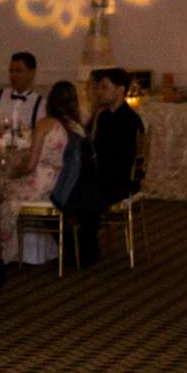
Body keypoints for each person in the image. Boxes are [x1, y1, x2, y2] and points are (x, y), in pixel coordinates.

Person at [70, 67, 144, 268]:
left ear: (119, 90)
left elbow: (117, 159)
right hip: (104, 175)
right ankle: (75, 247)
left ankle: (85, 251)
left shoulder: (129, 121)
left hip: (117, 180)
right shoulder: (103, 117)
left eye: (104, 87)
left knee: (85, 193)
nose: (100, 92)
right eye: (99, 87)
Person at [0, 81, 79, 265]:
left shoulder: (45, 124)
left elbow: (30, 165)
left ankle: (2, 253)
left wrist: (12, 174)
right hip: (63, 182)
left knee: (0, 191)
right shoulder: (76, 127)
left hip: (41, 182)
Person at [0, 51, 42, 137]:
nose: (13, 75)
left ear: (31, 73)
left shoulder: (41, 105)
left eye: (18, 71)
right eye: (11, 71)